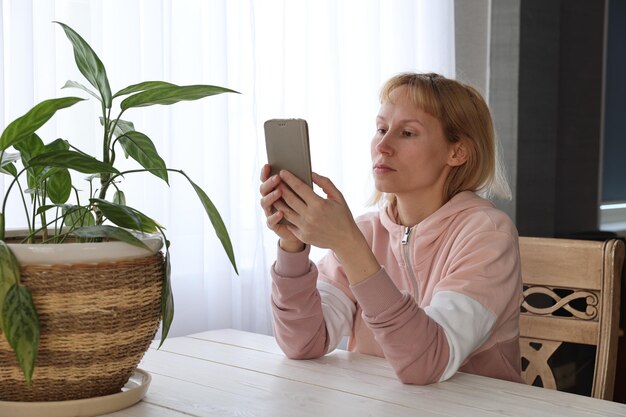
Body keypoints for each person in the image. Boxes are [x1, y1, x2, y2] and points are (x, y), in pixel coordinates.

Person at [259, 72, 523, 385]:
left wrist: (349, 246)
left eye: (408, 133)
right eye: (381, 129)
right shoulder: (367, 232)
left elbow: (428, 363)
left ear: (457, 152)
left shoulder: (487, 235)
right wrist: (293, 246)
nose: (383, 146)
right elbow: (304, 343)